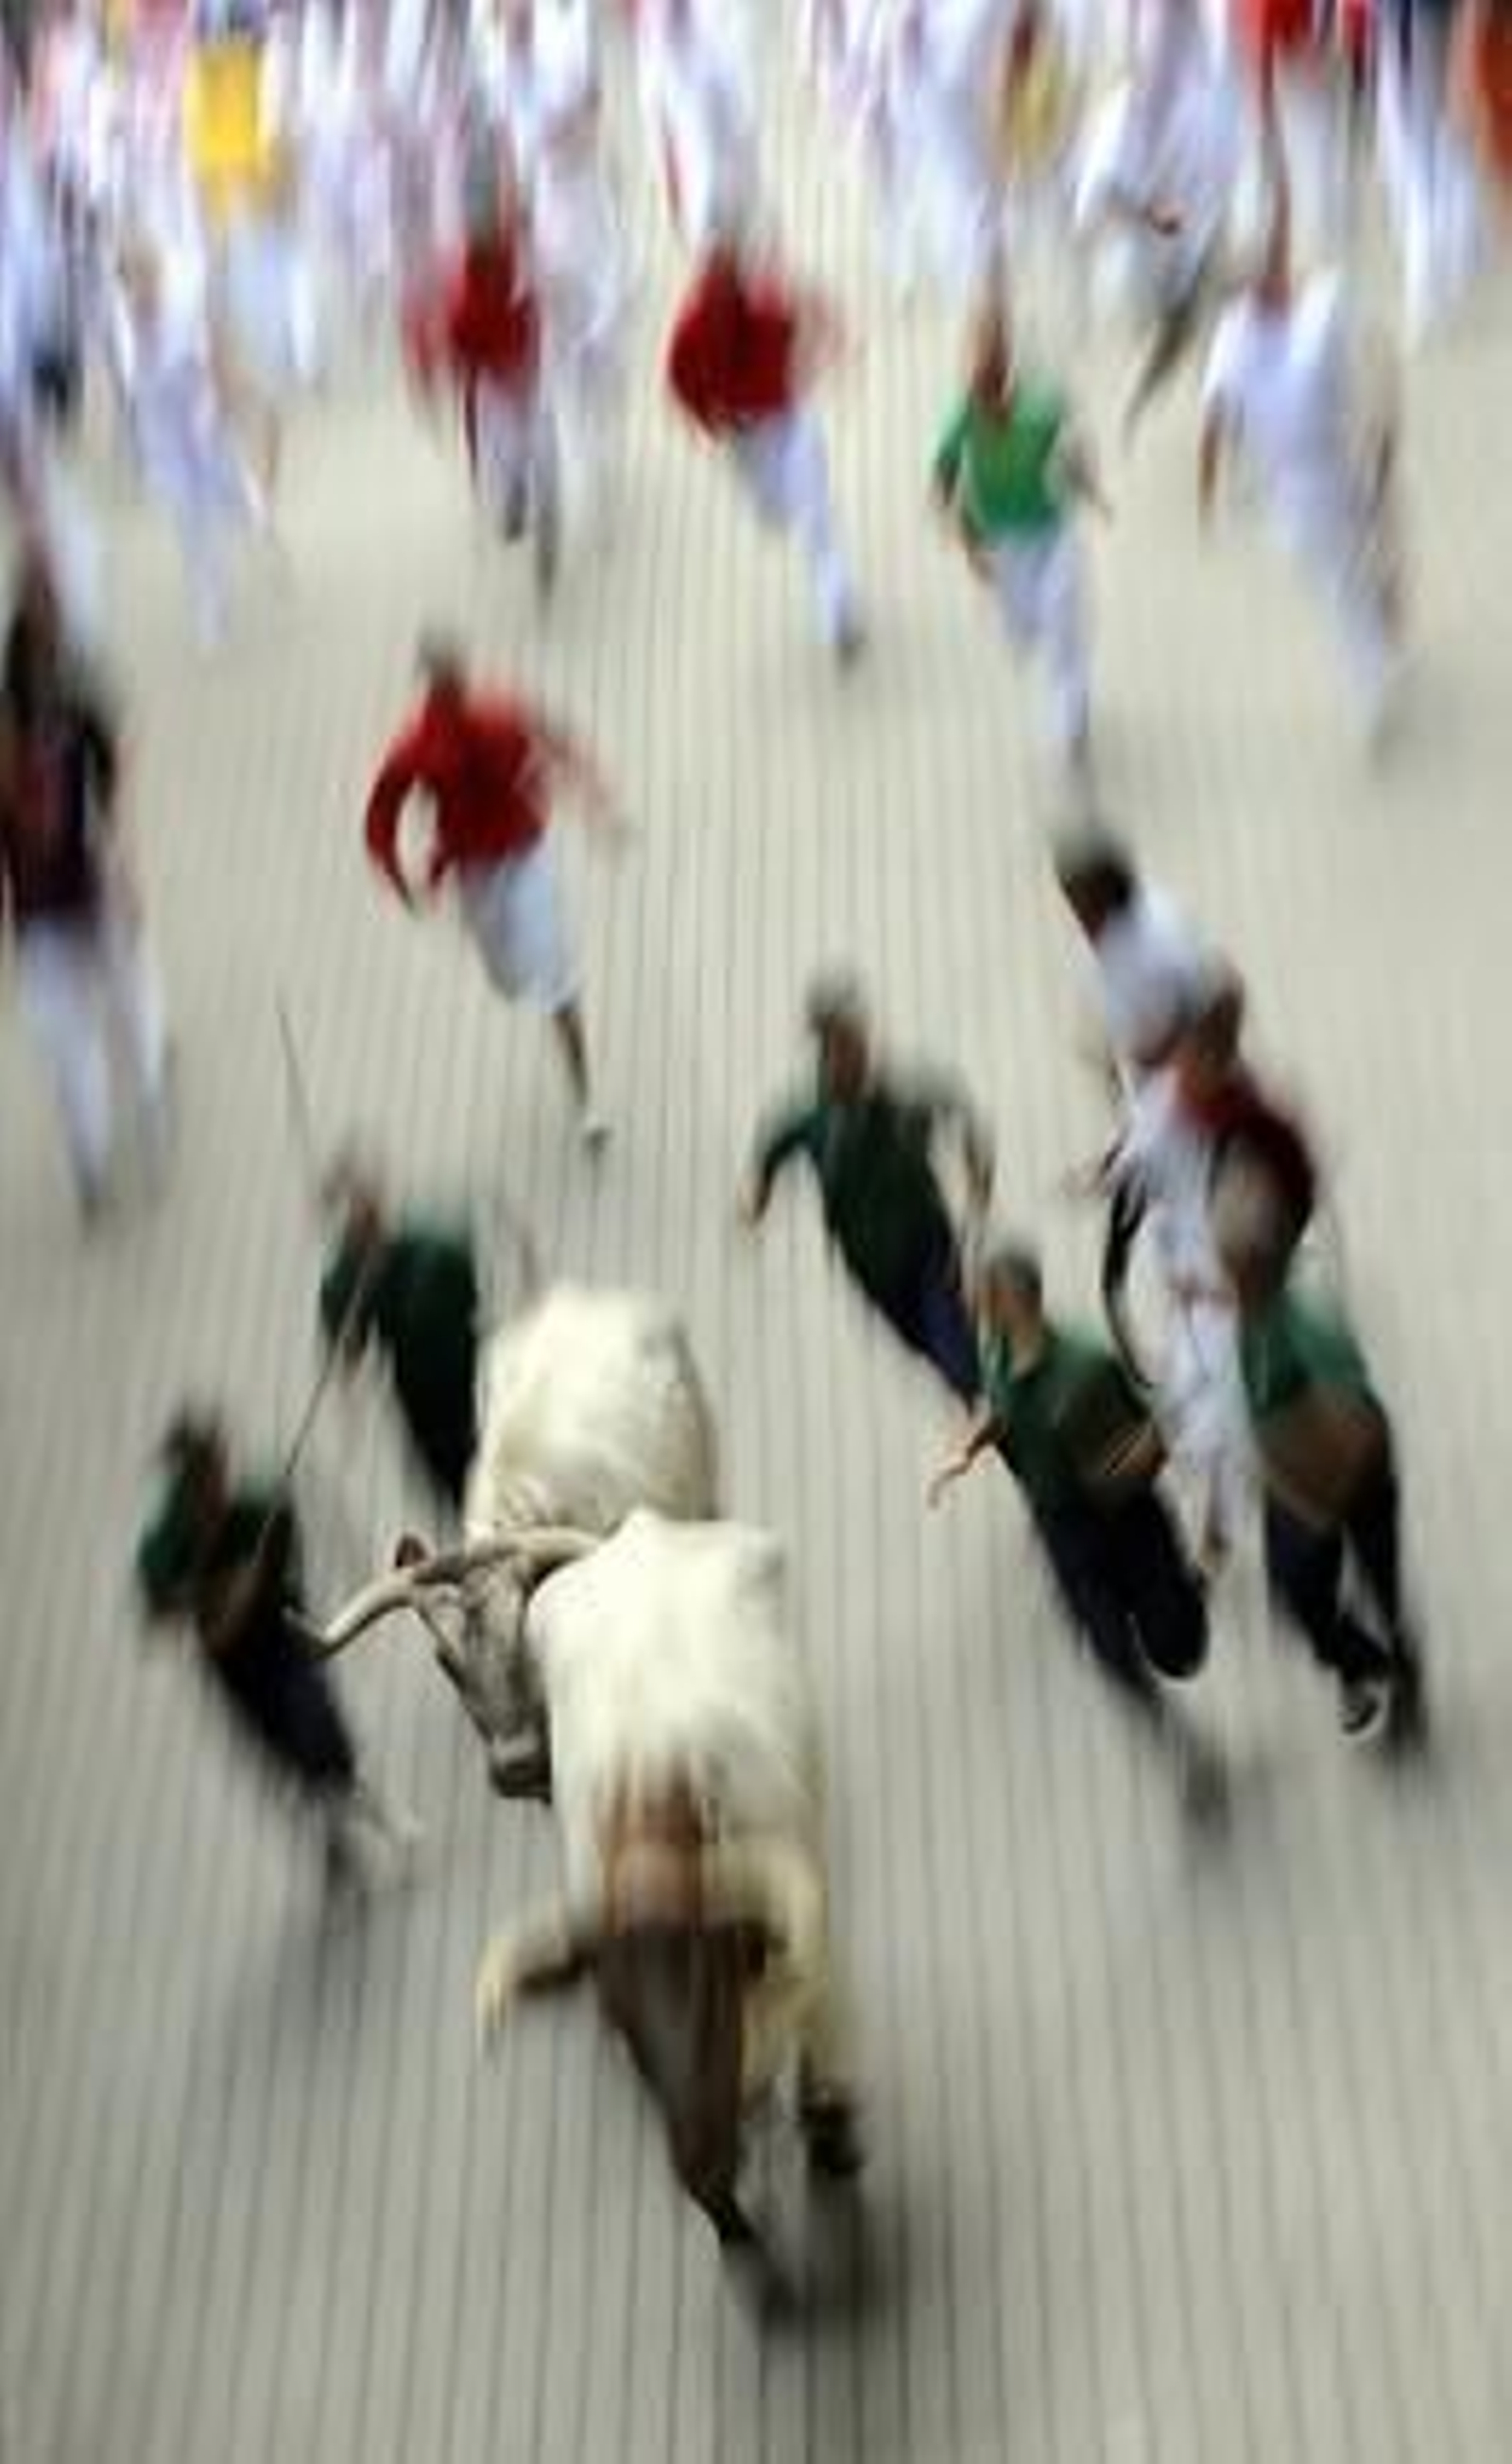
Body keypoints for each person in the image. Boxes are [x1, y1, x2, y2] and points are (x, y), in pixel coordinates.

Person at [929, 1241, 1222, 1810]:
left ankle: (1186, 1603)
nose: (973, 1304)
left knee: (1176, 1644)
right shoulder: (996, 1353)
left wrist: (1137, 1464)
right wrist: (973, 1442)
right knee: (1109, 1647)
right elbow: (1000, 1406)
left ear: (1015, 1300)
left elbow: (1154, 1429)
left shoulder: (1087, 1361)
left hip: (1127, 1515)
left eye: (983, 1295)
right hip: (1063, 1526)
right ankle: (1176, 1744)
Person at [135, 1412, 413, 1902]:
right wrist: (212, 1598)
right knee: (281, 1753)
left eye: (217, 1475)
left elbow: (287, 1569)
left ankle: (382, 1814)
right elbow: (157, 1612)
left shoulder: (260, 1506)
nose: (213, 1493)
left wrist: (256, 1586)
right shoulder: (166, 1541)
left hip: (281, 1635)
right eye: (200, 1485)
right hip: (230, 1662)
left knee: (318, 1723)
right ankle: (333, 1838)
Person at [1198, 114, 1405, 749]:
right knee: (1339, 579)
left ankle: (1381, 619)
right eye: (1258, 281)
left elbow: (1374, 357)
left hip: (1345, 457)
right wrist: (1207, 489)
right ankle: (1372, 673)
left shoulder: (1318, 309)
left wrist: (1383, 421)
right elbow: (1214, 422)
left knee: (1370, 552)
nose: (1270, 284)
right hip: (1297, 485)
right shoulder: (1235, 341)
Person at [363, 635, 620, 1143]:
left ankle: (587, 1100)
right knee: (506, 978)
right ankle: (517, 972)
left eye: (456, 676)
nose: (453, 687)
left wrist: (594, 797)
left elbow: (552, 741)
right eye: (442, 681)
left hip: (526, 860)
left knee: (557, 981)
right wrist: (402, 882)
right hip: (474, 873)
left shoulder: (501, 710)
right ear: (428, 683)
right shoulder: (413, 749)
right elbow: (380, 820)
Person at [1211, 1156, 1426, 1744]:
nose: (1221, 1270)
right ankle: (1367, 1663)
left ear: (1260, 1265)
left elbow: (1361, 1432)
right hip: (1293, 1485)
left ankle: (1399, 1663)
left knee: (1377, 1578)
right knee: (1298, 1594)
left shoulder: (1308, 1326)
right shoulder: (1251, 1308)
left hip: (1337, 1492)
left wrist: (1320, 1506)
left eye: (1230, 1261)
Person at [0, 556, 170, 1225]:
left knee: (125, 997)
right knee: (70, 1033)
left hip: (85, 890)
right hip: (48, 910)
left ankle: (148, 1091)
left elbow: (115, 769)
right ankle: (94, 1155)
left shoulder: (74, 702)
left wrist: (122, 862)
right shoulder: (39, 710)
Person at [741, 972, 993, 1406]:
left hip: (927, 1243)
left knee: (957, 1353)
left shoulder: (908, 1090)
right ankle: (985, 1388)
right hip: (868, 1265)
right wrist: (756, 1203)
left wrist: (977, 1198)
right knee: (925, 1347)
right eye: (840, 1043)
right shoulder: (806, 1115)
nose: (855, 1052)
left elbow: (966, 1118)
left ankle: (997, 1406)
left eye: (858, 1037)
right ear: (822, 1047)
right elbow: (769, 1154)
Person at [665, 222, 866, 663]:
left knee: (818, 518)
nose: (728, 283)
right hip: (744, 438)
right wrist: (709, 425)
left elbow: (807, 312)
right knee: (775, 511)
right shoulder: (690, 329)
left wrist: (835, 348)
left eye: (732, 273)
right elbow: (679, 388)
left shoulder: (764, 305)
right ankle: (780, 510)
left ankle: (839, 616)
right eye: (718, 276)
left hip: (791, 423)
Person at [932, 291, 1108, 783]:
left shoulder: (1040, 404)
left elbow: (1072, 449)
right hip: (1004, 543)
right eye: (977, 372)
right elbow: (945, 485)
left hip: (1052, 532)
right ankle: (1047, 652)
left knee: (1061, 621)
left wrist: (1088, 484)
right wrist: (968, 545)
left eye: (994, 367)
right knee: (1025, 630)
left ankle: (1071, 720)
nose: (985, 384)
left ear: (1006, 366)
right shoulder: (960, 419)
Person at [1074, 0, 1241, 441]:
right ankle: (1150, 408)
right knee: (1181, 335)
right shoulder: (1125, 112)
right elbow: (1096, 195)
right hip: (1149, 265)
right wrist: (1151, 214)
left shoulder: (1205, 95)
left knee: (1205, 332)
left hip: (1195, 246)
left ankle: (1220, 421)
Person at [408, 180, 559, 596]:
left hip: (522, 375)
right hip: (503, 382)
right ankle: (519, 498)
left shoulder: (510, 267)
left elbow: (542, 296)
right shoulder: (466, 296)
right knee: (514, 452)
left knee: (531, 448)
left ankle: (537, 507)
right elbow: (454, 351)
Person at [318, 1159, 481, 1514]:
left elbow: (472, 1295)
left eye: (365, 1208)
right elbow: (348, 1353)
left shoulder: (433, 1247)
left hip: (474, 1378)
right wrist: (349, 1401)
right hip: (424, 1404)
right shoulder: (345, 1284)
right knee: (458, 1488)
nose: (360, 1222)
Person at [1054, 829, 1210, 1096]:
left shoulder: (1150, 950)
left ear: (1102, 895)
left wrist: (1127, 1057)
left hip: (1178, 1081)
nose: (1074, 913)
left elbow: (1181, 1025)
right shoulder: (1135, 913)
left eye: (1076, 900)